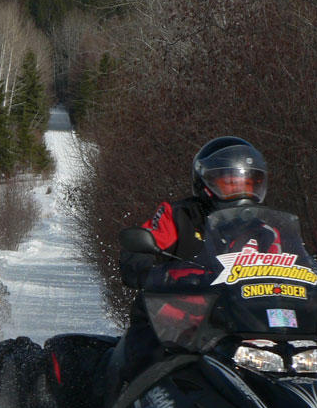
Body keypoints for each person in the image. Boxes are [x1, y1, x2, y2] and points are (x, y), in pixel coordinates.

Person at [109, 136, 269, 389]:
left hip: (242, 328)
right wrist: (146, 270)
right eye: (229, 181)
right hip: (173, 323)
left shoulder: (266, 231)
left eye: (249, 182)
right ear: (206, 181)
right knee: (144, 367)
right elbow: (142, 245)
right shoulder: (180, 216)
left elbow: (289, 269)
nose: (240, 189)